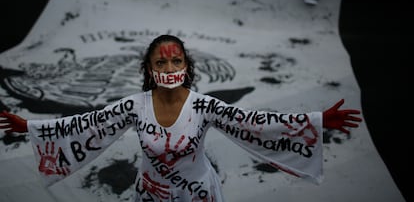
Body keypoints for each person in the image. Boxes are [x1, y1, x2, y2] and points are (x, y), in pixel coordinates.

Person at [0, 34, 362, 202]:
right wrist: (30, 127)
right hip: (150, 195)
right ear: (149, 68)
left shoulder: (204, 106)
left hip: (197, 196)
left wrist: (314, 123)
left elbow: (254, 122)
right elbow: (87, 124)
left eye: (176, 61)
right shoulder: (134, 106)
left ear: (187, 66)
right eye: (161, 62)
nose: (169, 67)